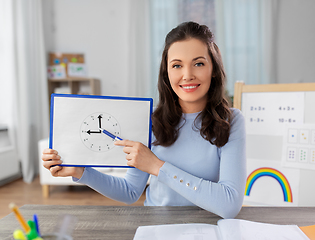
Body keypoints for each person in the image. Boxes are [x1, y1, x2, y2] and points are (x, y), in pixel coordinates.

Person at [42, 21, 246, 219]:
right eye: (177, 65)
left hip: (208, 228)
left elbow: (229, 205)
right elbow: (130, 191)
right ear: (166, 73)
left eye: (198, 63)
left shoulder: (231, 121)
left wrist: (157, 166)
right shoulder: (151, 121)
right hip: (156, 227)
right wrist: (80, 171)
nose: (187, 75)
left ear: (214, 69)